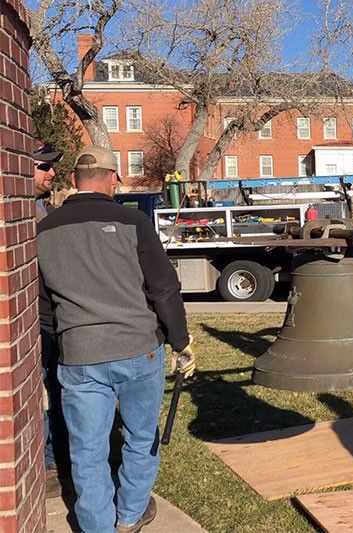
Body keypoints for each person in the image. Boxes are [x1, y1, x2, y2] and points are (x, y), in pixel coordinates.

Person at [36, 146, 196, 533]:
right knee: (141, 438)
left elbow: (42, 308)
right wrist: (181, 341)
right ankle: (129, 515)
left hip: (79, 354)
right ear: (113, 178)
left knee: (86, 449)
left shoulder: (42, 231)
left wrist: (64, 341)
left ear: (74, 180)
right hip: (139, 350)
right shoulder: (133, 221)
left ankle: (96, 527)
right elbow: (164, 288)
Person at [32, 142, 71, 498]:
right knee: (40, 393)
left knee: (58, 389)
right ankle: (45, 463)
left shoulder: (44, 207)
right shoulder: (22, 212)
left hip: (56, 319)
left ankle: (56, 457)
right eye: (44, 167)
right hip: (34, 323)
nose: (52, 173)